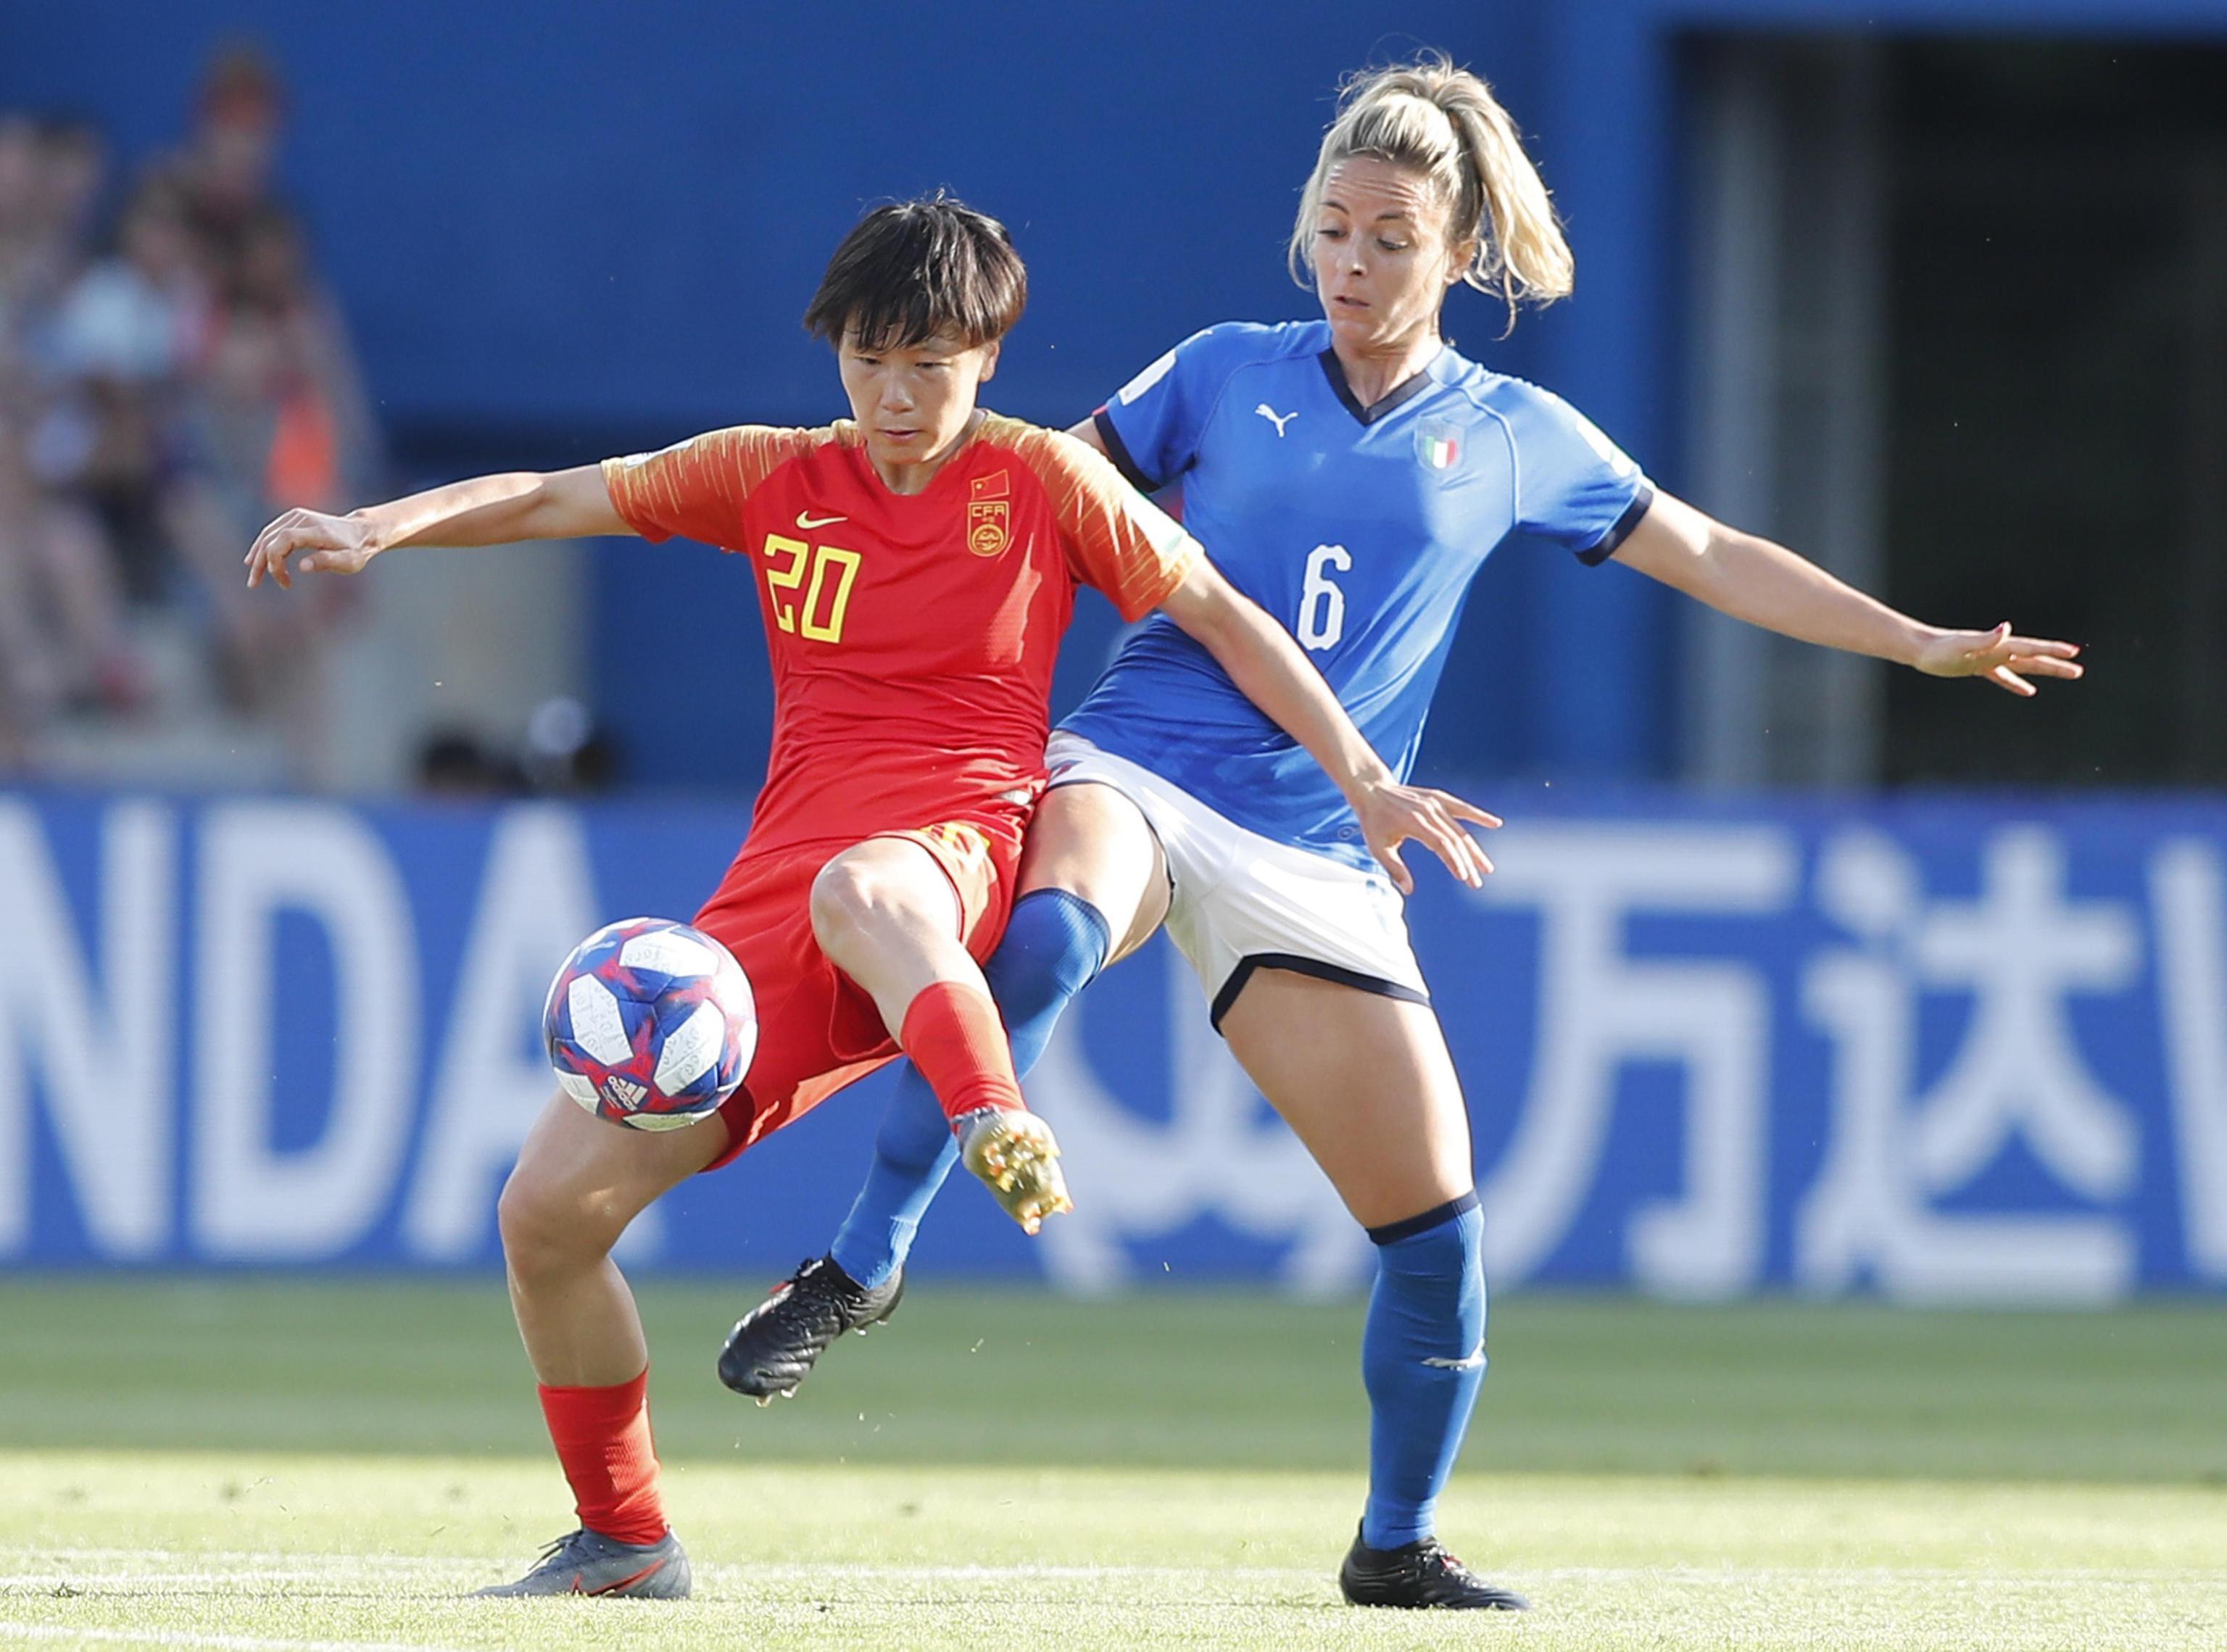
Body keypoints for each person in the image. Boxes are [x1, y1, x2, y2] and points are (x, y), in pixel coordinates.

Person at [718, 55, 2086, 1613]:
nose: (1351, 264)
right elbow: (1025, 490)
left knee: (1436, 1235)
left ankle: (1398, 1544)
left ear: (1460, 254)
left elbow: (1709, 552)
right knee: (1047, 938)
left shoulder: (1516, 435)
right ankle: (863, 1262)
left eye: (1389, 238)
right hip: (1146, 764)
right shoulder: (1222, 371)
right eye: (1331, 230)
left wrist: (1913, 641)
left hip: (1320, 837)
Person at [244, 195, 1489, 1600]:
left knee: (865, 886)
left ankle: (991, 1113)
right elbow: (552, 496)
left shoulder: (1044, 483)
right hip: (772, 909)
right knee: (545, 1217)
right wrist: (374, 527)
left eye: (930, 366)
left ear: (989, 359)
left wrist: (1364, 778)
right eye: (868, 361)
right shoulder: (769, 475)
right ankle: (627, 1542)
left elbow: (1223, 619)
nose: (895, 398)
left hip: (955, 852)